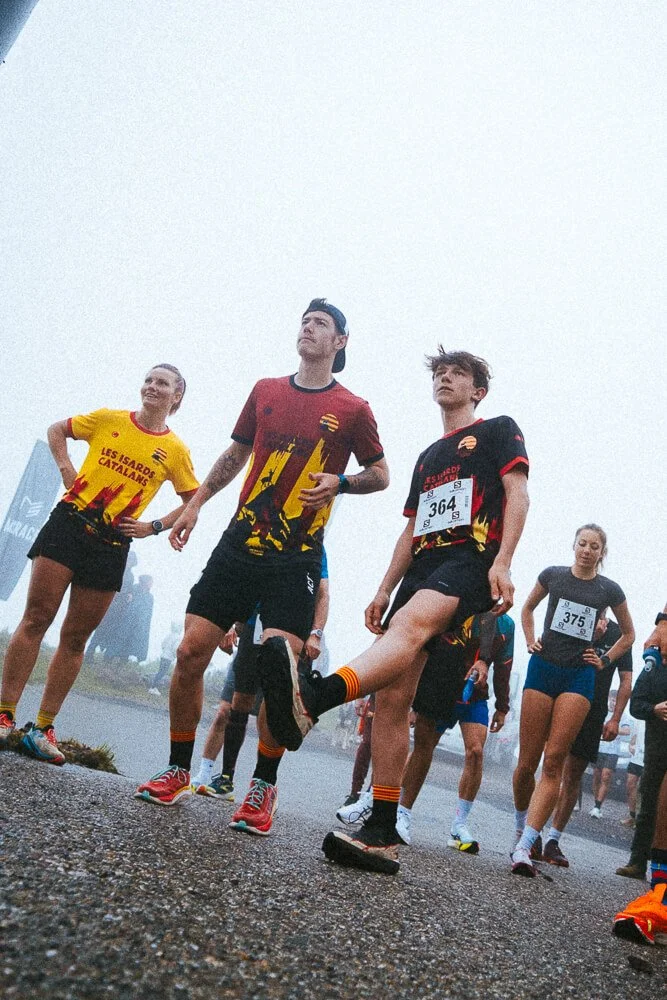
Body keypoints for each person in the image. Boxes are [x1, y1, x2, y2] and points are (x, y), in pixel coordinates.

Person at [259, 348, 530, 874]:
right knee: (392, 696)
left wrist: (504, 560)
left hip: (470, 559)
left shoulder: (498, 430)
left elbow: (518, 495)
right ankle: (383, 825)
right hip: (421, 568)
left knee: (408, 631)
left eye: (458, 374)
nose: (445, 378)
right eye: (439, 372)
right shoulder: (429, 456)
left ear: (478, 390)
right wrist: (385, 587)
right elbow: (412, 527)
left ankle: (315, 697)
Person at [135, 299, 388, 827]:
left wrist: (342, 482)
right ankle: (179, 769)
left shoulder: (353, 409)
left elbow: (381, 474)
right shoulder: (265, 390)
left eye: (321, 324)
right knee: (190, 650)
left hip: (295, 556)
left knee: (280, 668)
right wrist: (195, 505)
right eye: (304, 321)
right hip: (239, 542)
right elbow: (234, 456)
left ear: (340, 342)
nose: (308, 328)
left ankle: (262, 789)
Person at [0, 366, 198, 763]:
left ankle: (42, 728)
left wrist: (153, 526)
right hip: (71, 523)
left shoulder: (175, 450)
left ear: (177, 397)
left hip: (112, 543)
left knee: (76, 638)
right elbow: (57, 429)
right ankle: (4, 716)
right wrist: (66, 468)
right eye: (149, 379)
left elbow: (193, 500)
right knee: (37, 617)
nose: (152, 386)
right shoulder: (109, 419)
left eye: (163, 383)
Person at [510, 524, 634, 876]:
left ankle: (525, 845)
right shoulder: (553, 576)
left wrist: (605, 659)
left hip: (579, 676)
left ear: (601, 552)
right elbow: (527, 608)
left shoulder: (608, 590)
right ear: (574, 545)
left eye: (594, 546)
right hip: (543, 668)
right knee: (526, 763)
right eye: (582, 543)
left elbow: (629, 634)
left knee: (554, 762)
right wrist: (531, 639)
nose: (586, 550)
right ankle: (523, 829)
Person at [192, 554, 329, 800]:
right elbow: (244, 580)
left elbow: (323, 593)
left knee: (275, 707)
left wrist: (316, 633)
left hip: (290, 631)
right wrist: (230, 624)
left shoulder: (315, 545)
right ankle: (225, 778)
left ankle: (262, 783)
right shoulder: (270, 531)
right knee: (238, 703)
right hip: (254, 628)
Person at [397, 612, 514, 851]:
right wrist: (415, 702)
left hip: (475, 695)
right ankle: (401, 813)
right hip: (443, 690)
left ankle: (459, 825)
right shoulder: (461, 608)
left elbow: (504, 668)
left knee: (476, 753)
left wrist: (502, 707)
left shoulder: (506, 625)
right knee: (423, 747)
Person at [539, 614, 632, 868]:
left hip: (593, 709)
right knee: (551, 765)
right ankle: (533, 832)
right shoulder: (575, 617)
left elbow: (625, 679)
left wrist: (615, 718)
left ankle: (553, 839)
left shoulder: (620, 633)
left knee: (573, 775)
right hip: (562, 700)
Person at [613, 603, 667, 945]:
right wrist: (654, 709)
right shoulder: (654, 668)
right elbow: (637, 705)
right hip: (659, 747)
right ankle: (655, 882)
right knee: (654, 807)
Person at [588, 689, 631, 819]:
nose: (613, 702)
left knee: (606, 776)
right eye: (612, 699)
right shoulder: (603, 712)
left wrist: (612, 728)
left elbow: (627, 730)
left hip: (613, 751)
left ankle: (597, 806)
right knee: (596, 776)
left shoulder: (623, 716)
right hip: (599, 748)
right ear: (609, 699)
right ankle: (596, 801)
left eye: (616, 700)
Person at [621, 720, 645, 828]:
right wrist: (631, 745)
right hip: (636, 758)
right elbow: (635, 735)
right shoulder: (640, 719)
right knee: (630, 785)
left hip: (649, 759)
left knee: (644, 790)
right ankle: (632, 816)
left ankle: (641, 820)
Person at [149, 621, 182, 693]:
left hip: (163, 656)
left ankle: (153, 687)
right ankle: (153, 687)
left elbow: (163, 644)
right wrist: (175, 656)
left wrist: (165, 651)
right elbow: (175, 649)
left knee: (160, 671)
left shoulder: (169, 635)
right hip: (168, 657)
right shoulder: (178, 638)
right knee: (162, 673)